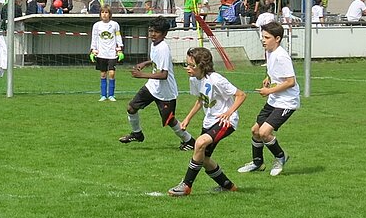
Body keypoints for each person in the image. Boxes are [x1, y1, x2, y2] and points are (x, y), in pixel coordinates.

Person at [168, 47, 246, 196]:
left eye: (192, 65)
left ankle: (186, 186)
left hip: (226, 121)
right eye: (187, 64)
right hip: (210, 121)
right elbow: (201, 100)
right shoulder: (195, 80)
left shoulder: (216, 79)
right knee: (204, 158)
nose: (188, 68)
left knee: (200, 143)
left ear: (202, 65)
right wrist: (187, 119)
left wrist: (228, 113)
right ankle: (228, 186)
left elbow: (241, 95)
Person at [120, 17, 195, 150]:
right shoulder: (154, 44)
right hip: (152, 87)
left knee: (169, 120)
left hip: (166, 92)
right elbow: (155, 60)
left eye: (157, 32)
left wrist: (141, 75)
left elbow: (164, 75)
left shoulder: (164, 48)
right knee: (131, 108)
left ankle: (189, 141)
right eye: (151, 31)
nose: (153, 34)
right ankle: (137, 134)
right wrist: (146, 63)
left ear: (165, 33)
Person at [238, 21, 299, 177]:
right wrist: (268, 77)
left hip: (287, 102)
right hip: (274, 99)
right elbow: (273, 71)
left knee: (265, 132)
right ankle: (257, 163)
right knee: (255, 131)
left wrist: (269, 90)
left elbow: (290, 81)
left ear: (277, 38)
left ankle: (280, 156)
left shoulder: (282, 56)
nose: (263, 40)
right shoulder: (270, 51)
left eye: (266, 37)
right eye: (262, 37)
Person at [89, 6, 123, 102]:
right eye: (102, 12)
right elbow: (94, 38)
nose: (104, 14)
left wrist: (120, 48)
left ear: (110, 14)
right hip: (101, 53)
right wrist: (93, 49)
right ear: (100, 14)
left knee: (111, 73)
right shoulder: (97, 25)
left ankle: (111, 95)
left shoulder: (114, 24)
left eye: (106, 12)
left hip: (112, 53)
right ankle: (103, 95)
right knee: (103, 74)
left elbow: (118, 36)